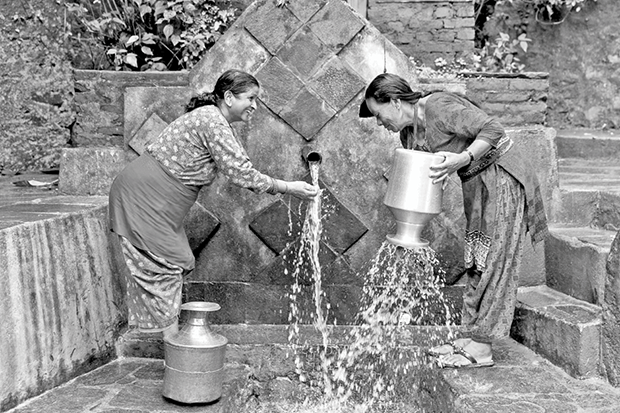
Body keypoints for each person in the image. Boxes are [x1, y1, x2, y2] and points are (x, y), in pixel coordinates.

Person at [109, 69, 319, 339]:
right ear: (229, 97)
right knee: (166, 266)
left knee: (174, 264)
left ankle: (170, 346)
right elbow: (241, 173)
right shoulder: (212, 120)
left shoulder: (215, 120)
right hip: (144, 198)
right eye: (250, 98)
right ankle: (174, 354)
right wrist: (289, 187)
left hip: (154, 200)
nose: (255, 105)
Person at [359, 73, 547, 368]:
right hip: (477, 182)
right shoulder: (410, 132)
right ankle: (472, 335)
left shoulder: (438, 107)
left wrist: (462, 158)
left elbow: (493, 128)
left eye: (378, 114)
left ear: (394, 102)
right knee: (476, 259)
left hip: (503, 178)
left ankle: (483, 349)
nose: (379, 123)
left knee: (496, 260)